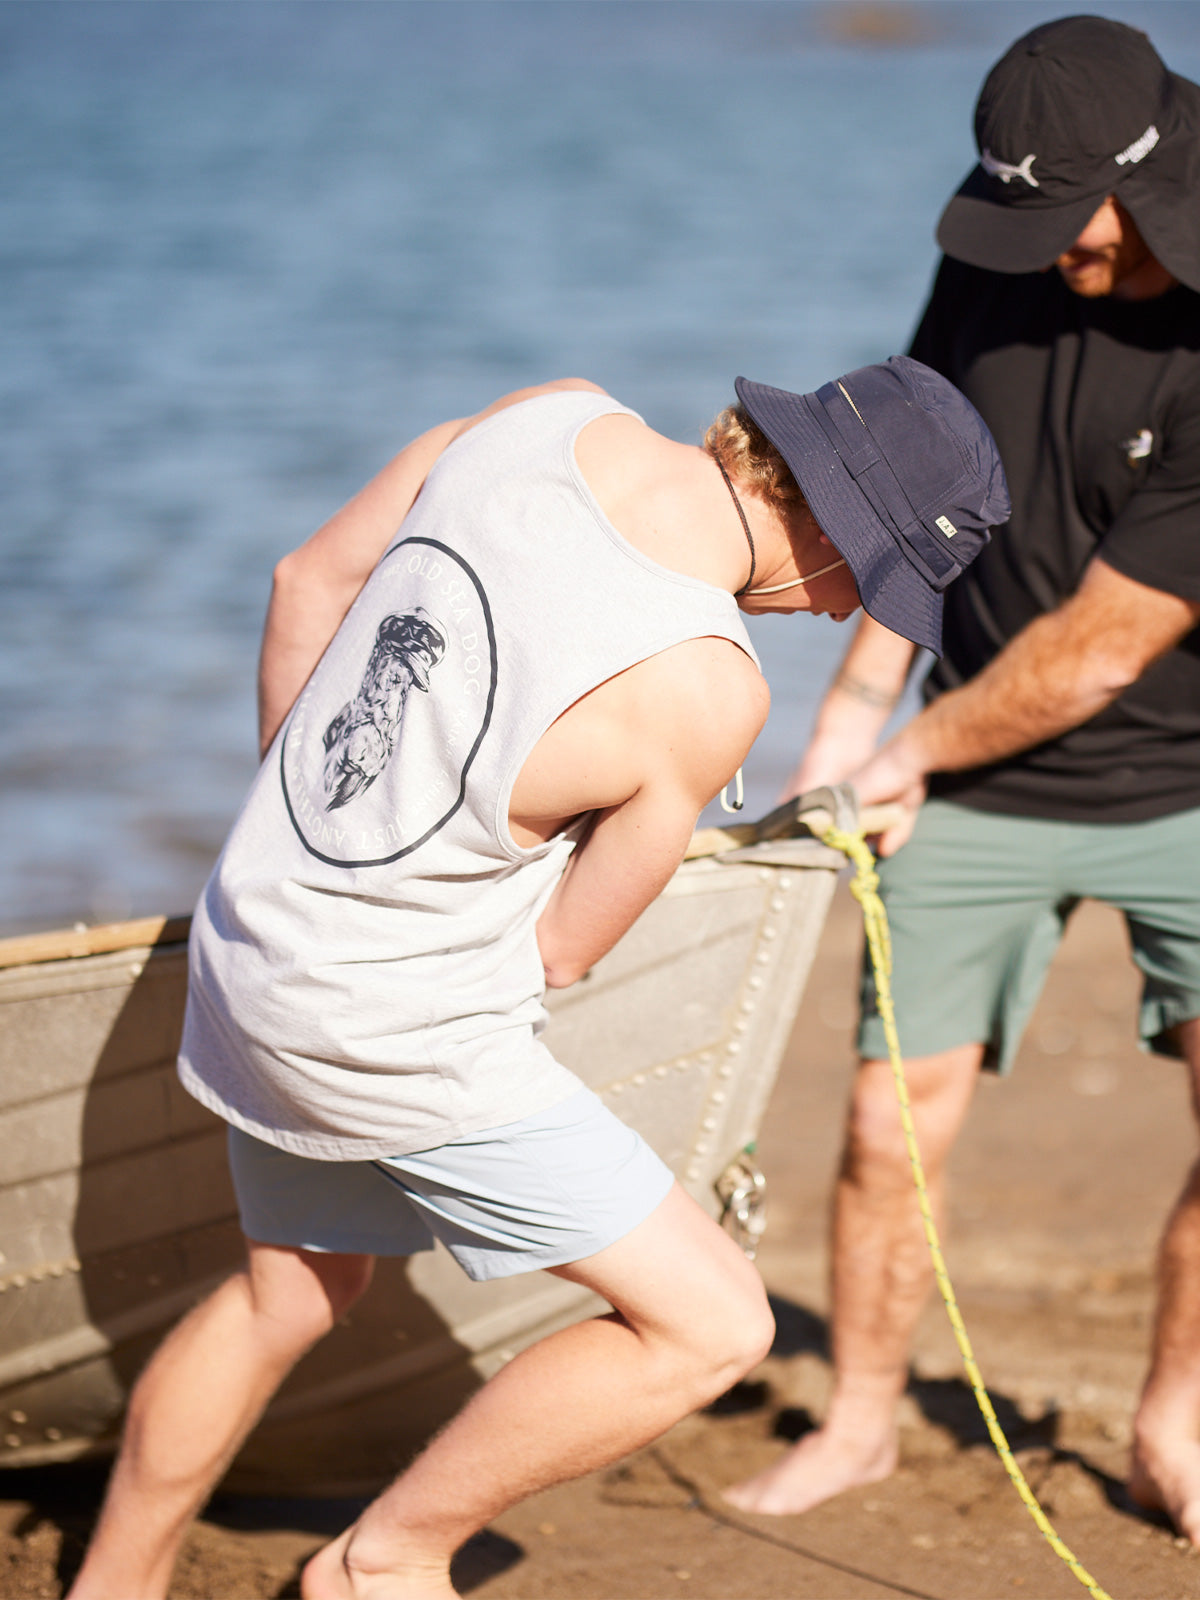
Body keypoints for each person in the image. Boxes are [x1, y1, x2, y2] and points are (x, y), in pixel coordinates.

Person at [65, 361, 1006, 1600]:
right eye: (870, 584)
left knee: (286, 1290)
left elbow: (305, 584)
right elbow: (565, 949)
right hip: (390, 1022)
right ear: (822, 515)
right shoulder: (708, 681)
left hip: (256, 934)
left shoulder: (548, 414)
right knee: (715, 1322)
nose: (847, 618)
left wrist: (317, 838)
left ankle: (109, 1590)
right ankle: (382, 1558)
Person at [724, 15, 1200, 1545]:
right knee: (881, 1134)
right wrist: (851, 710)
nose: (1046, 248)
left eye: (1074, 221)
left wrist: (903, 750)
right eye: (1025, 214)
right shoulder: (1007, 239)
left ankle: (1175, 1423)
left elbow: (1105, 652)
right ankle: (862, 1424)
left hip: (1183, 779)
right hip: (967, 780)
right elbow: (922, 509)